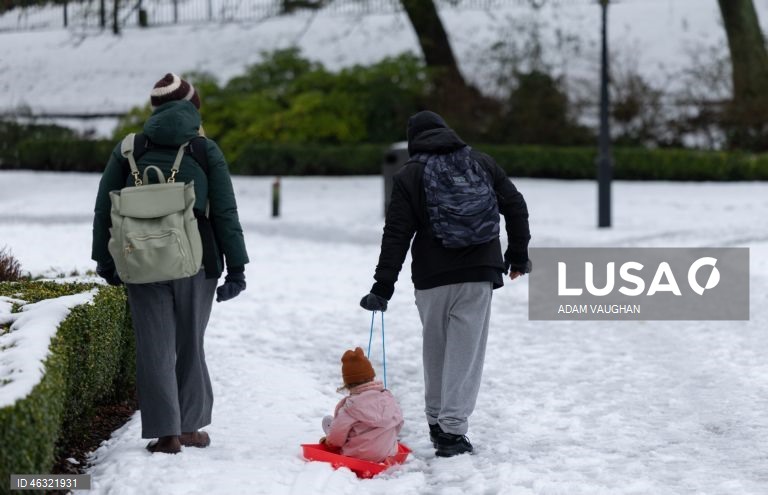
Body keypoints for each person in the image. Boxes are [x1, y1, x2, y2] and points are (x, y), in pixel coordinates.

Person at [91, 73, 249, 454]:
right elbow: (225, 212)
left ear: (155, 109)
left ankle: (166, 434)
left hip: (140, 259)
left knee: (153, 347)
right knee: (191, 343)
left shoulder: (129, 148)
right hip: (198, 260)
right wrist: (237, 268)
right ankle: (191, 427)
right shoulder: (204, 149)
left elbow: (103, 209)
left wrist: (104, 260)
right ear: (192, 106)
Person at [359, 110, 531, 457]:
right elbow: (515, 204)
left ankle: (438, 423)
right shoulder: (481, 162)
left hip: (432, 276)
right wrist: (517, 256)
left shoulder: (410, 174)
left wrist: (382, 287)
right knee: (465, 354)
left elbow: (396, 234)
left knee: (435, 349)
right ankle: (453, 431)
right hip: (479, 272)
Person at [321, 347, 404, 462]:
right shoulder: (389, 399)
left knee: (337, 426)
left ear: (347, 384)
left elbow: (337, 435)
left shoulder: (350, 407)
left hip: (355, 455)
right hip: (387, 454)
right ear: (372, 377)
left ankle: (330, 431)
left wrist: (329, 442)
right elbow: (398, 423)